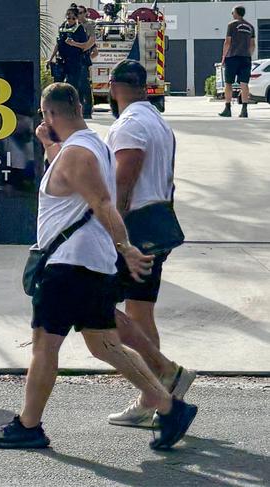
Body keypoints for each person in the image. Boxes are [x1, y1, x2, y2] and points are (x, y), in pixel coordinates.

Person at [0, 83, 198, 450]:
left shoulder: (78, 154)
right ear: (80, 107)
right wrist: (48, 143)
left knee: (44, 345)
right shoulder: (90, 146)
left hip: (69, 267)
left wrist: (126, 247)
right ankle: (167, 404)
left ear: (49, 114)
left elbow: (101, 201)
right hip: (87, 266)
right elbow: (71, 177)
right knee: (103, 345)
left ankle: (28, 425)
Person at [106, 60, 196, 428]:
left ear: (112, 86)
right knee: (141, 312)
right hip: (158, 227)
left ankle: (163, 379)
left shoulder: (130, 125)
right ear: (144, 86)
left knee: (96, 306)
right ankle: (156, 393)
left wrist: (114, 235)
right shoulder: (159, 121)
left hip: (136, 232)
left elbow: (122, 184)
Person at [219, 5, 256, 118]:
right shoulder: (250, 26)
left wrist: (224, 56)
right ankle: (244, 110)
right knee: (244, 84)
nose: (232, 14)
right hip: (245, 58)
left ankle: (227, 108)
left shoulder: (232, 25)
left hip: (232, 57)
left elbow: (227, 42)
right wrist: (248, 55)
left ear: (236, 13)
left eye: (232, 12)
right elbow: (253, 44)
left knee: (228, 83)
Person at [66, 4, 99, 119]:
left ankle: (87, 111)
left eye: (80, 13)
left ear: (85, 13)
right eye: (77, 13)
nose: (78, 15)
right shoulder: (72, 25)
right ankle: (76, 110)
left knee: (84, 85)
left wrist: (82, 49)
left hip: (82, 58)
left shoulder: (88, 25)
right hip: (72, 60)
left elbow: (91, 42)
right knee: (74, 86)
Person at [47, 7, 87, 95]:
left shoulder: (80, 29)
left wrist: (74, 43)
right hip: (61, 60)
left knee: (72, 85)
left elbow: (85, 45)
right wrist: (51, 58)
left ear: (76, 18)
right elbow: (58, 44)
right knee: (57, 85)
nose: (70, 20)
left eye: (73, 18)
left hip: (74, 61)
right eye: (68, 17)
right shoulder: (62, 27)